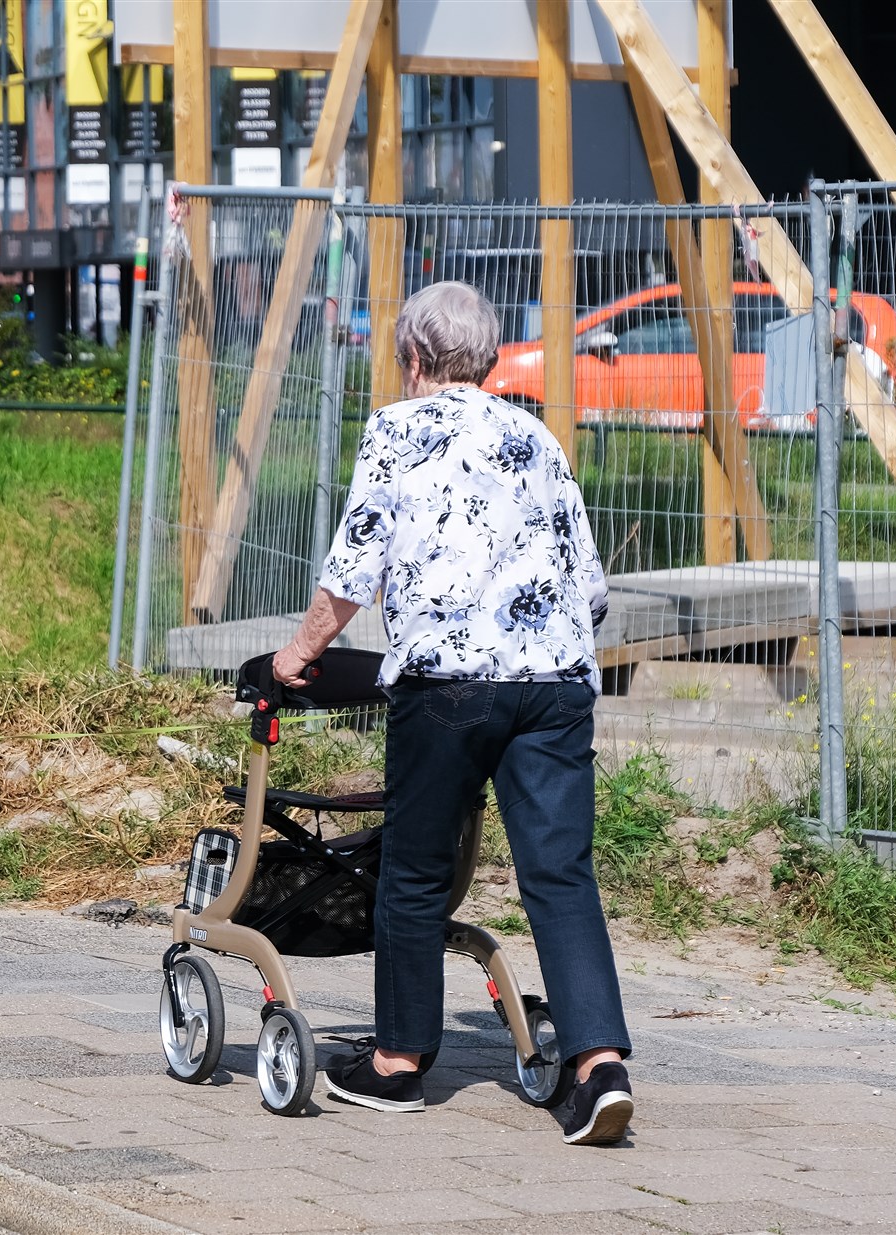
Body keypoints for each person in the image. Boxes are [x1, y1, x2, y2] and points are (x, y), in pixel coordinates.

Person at [271, 280, 634, 1146]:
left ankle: (398, 1063)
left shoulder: (397, 429)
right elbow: (590, 588)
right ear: (494, 361)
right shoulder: (536, 435)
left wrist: (300, 652)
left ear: (415, 359)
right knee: (561, 875)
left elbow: (356, 565)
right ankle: (599, 1068)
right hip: (554, 686)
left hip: (449, 687)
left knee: (416, 872)